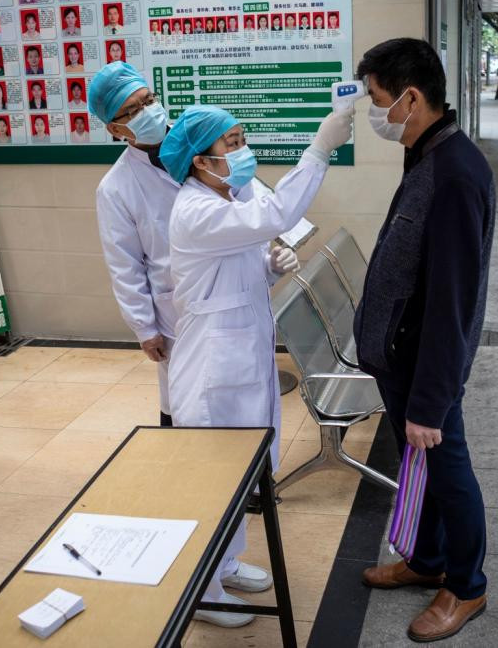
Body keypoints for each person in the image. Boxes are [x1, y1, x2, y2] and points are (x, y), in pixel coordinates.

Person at [157, 103, 352, 627]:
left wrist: (267, 267)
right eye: (232, 142)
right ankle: (201, 592)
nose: (242, 150)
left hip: (240, 353)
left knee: (241, 471)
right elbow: (276, 216)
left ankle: (226, 564)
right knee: (213, 479)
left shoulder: (225, 195)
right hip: (212, 367)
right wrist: (319, 150)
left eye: (242, 137)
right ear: (200, 162)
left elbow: (234, 279)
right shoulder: (196, 210)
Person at [353, 38, 494, 643]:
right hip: (400, 358)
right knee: (426, 470)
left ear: (411, 98)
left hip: (424, 366)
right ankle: (428, 560)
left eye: (377, 99)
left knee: (449, 470)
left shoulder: (456, 174)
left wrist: (432, 401)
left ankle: (465, 585)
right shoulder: (426, 153)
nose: (372, 111)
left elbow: (453, 297)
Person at [91, 62, 179, 429]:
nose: (149, 112)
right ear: (115, 128)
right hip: (177, 309)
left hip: (233, 294)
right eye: (134, 110)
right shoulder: (116, 188)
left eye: (150, 100)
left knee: (246, 395)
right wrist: (144, 328)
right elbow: (124, 265)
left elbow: (244, 190)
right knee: (182, 399)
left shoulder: (201, 142)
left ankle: (257, 482)